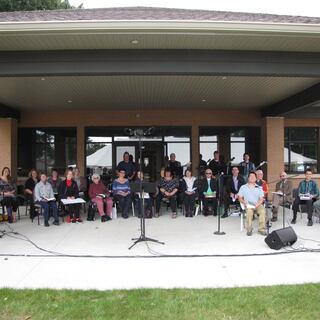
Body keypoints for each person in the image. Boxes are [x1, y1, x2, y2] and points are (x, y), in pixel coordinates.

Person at [238, 171, 266, 236]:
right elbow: (240, 198)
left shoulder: (259, 188)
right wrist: (244, 202)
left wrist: (257, 204)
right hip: (248, 205)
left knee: (262, 211)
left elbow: (261, 199)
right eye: (250, 176)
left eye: (253, 176)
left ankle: (261, 229)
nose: (252, 178)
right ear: (248, 178)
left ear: (256, 179)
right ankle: (249, 229)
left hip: (257, 204)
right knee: (249, 212)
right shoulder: (243, 187)